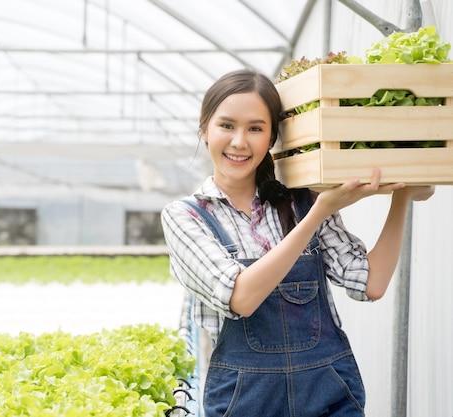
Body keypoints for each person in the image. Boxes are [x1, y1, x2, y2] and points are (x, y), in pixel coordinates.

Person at [160, 69, 434, 417]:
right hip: (246, 402)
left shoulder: (300, 202)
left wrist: (402, 197)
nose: (240, 141)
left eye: (256, 128)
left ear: (272, 137)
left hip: (327, 393)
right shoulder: (187, 217)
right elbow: (241, 298)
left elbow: (371, 282)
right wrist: (318, 214)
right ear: (204, 129)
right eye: (227, 125)